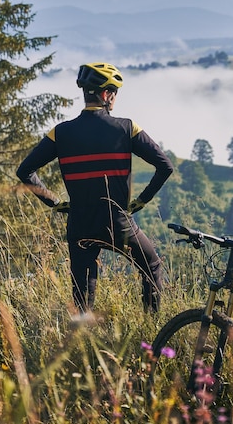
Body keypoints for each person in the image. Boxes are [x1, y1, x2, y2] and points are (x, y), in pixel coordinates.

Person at [17, 62, 173, 313]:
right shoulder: (126, 127)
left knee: (83, 290)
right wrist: (141, 201)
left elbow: (24, 171)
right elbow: (165, 166)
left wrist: (55, 203)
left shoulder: (60, 132)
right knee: (151, 265)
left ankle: (82, 340)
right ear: (106, 94)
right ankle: (151, 329)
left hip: (80, 222)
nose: (115, 99)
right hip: (117, 221)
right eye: (115, 93)